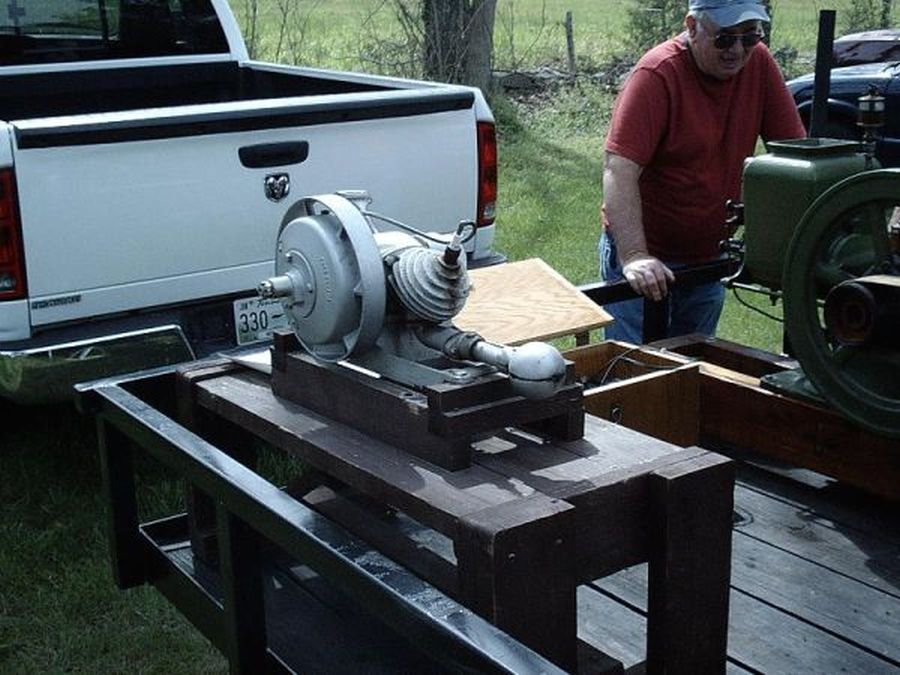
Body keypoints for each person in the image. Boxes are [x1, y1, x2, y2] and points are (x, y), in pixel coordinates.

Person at [600, 0, 806, 343]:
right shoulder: (657, 74)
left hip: (709, 256)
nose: (737, 50)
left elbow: (795, 156)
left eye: (750, 37)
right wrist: (635, 256)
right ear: (692, 27)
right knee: (631, 366)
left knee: (693, 363)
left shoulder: (759, 64)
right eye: (724, 38)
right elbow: (619, 168)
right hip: (648, 255)